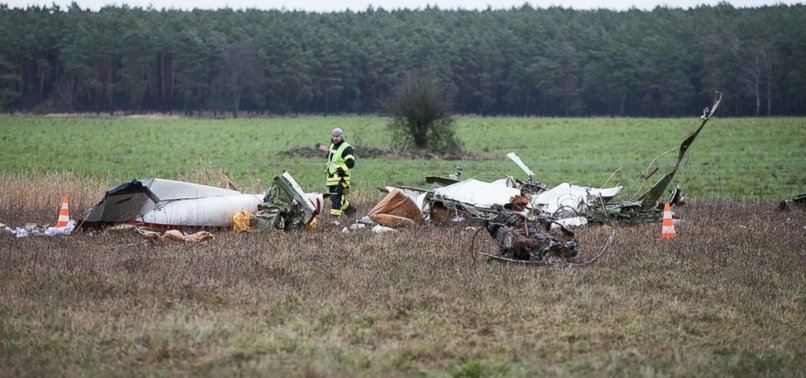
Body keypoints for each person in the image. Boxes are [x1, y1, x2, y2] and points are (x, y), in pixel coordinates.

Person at [325, 127, 356, 217]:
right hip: (332, 179)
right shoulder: (331, 146)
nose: (335, 138)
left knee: (337, 198)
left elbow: (351, 163)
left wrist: (341, 170)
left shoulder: (347, 148)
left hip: (343, 179)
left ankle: (335, 219)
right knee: (333, 197)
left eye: (337, 136)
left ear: (341, 136)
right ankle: (351, 210)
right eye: (334, 136)